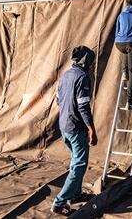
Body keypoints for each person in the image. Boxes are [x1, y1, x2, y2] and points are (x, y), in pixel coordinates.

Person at [51, 45, 98, 216]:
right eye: (91, 61)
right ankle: (59, 203)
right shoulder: (82, 77)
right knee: (79, 165)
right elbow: (83, 106)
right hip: (76, 128)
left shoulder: (65, 76)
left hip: (64, 127)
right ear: (86, 60)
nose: (92, 64)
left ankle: (76, 194)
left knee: (75, 161)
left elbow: (58, 101)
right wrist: (91, 128)